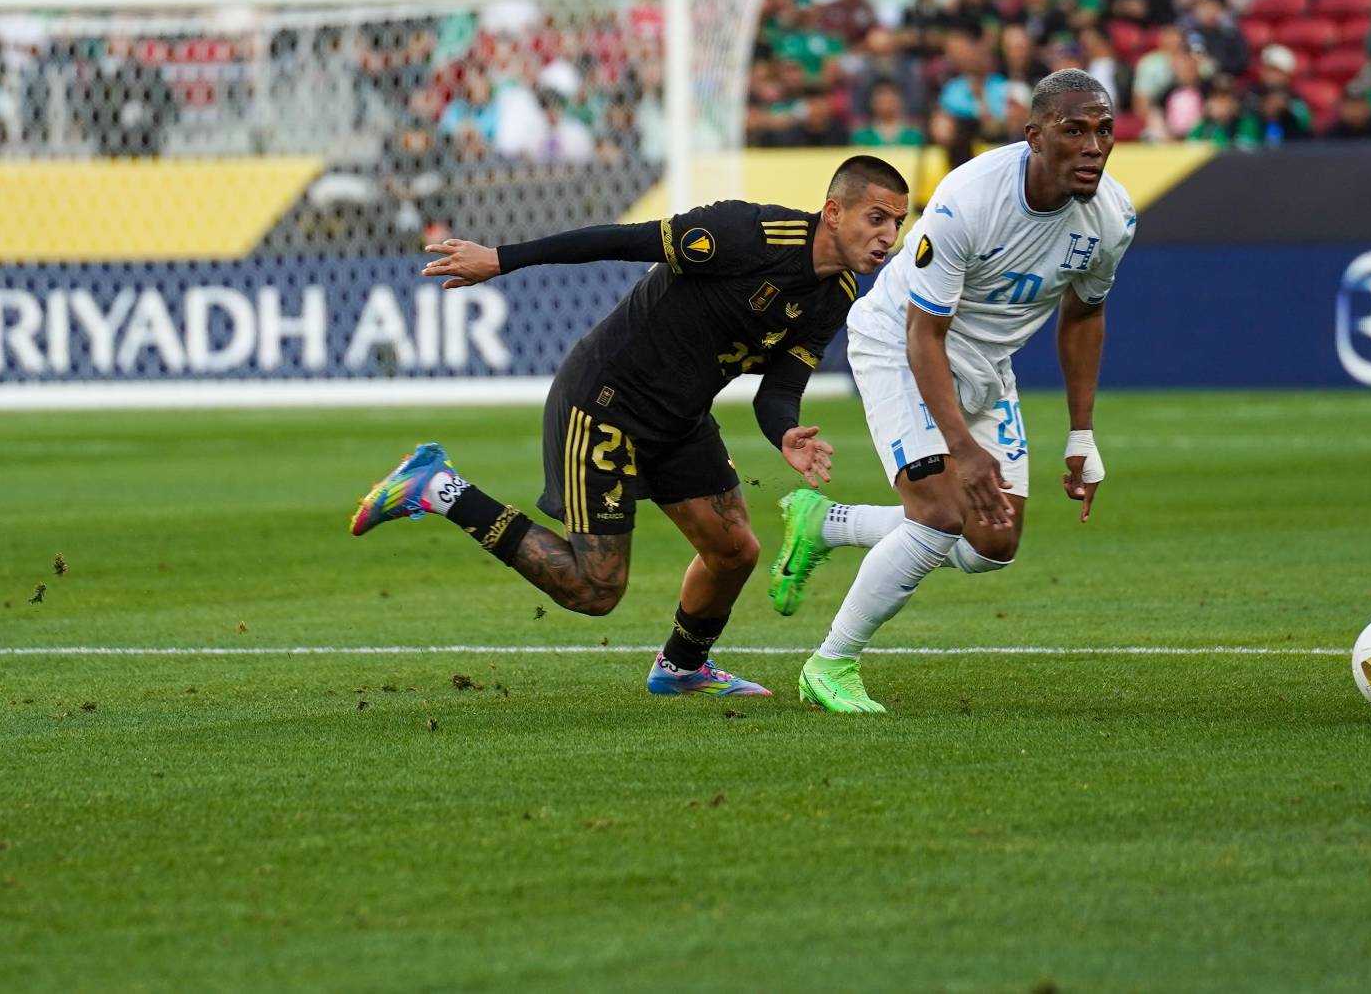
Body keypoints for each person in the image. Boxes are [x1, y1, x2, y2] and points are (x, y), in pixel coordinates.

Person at [348, 157, 912, 698]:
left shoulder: (835, 295)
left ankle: (683, 667)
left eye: (898, 223)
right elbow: (622, 239)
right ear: (834, 213)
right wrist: (501, 258)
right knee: (595, 589)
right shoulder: (749, 233)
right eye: (877, 218)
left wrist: (784, 432)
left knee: (735, 551)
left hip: (680, 420)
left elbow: (780, 389)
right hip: (605, 404)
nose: (888, 236)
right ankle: (439, 489)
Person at [770, 70, 1135, 713]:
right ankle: (831, 663)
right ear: (1035, 137)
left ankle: (824, 523)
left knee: (993, 544)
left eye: (1104, 130)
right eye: (1074, 130)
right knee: (938, 513)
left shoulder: (1113, 217)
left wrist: (1082, 435)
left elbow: (1085, 314)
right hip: (900, 345)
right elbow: (923, 334)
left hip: (987, 364)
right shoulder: (968, 198)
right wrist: (963, 450)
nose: (1093, 146)